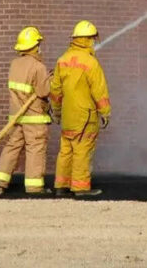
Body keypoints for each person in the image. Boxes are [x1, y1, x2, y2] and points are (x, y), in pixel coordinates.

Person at [51, 20, 112, 197]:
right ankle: (81, 188)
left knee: (66, 151)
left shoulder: (62, 61)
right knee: (82, 151)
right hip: (85, 116)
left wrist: (56, 112)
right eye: (92, 38)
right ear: (87, 40)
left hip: (68, 116)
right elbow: (99, 91)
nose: (94, 41)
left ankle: (60, 186)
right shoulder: (91, 63)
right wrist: (105, 112)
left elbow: (55, 90)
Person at [0, 26, 53, 196]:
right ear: (35, 46)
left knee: (11, 147)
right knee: (35, 149)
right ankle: (34, 187)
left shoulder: (14, 64)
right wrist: (51, 80)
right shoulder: (38, 67)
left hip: (16, 117)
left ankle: (0, 184)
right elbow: (43, 91)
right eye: (39, 43)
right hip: (34, 118)